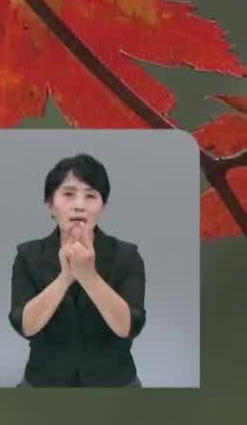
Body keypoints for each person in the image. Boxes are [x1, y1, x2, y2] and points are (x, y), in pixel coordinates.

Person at [8, 153, 147, 387]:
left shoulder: (127, 256)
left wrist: (88, 276)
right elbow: (24, 325)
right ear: (50, 205)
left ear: (102, 207)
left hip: (115, 383)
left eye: (91, 195)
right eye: (68, 194)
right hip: (43, 382)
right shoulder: (27, 256)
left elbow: (130, 326)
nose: (79, 205)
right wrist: (65, 277)